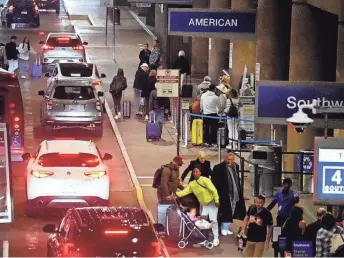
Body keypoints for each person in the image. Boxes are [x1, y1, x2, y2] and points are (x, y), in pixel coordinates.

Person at [176, 167, 220, 247]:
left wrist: (217, 200)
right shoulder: (192, 184)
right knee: (203, 220)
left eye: (197, 172)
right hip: (203, 204)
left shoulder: (205, 180)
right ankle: (204, 238)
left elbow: (214, 190)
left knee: (213, 220)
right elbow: (185, 192)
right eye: (194, 172)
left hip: (212, 202)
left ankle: (216, 238)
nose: (195, 173)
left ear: (200, 172)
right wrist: (176, 194)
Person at [212, 152, 246, 236]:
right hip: (224, 194)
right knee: (225, 211)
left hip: (234, 193)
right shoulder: (219, 167)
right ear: (225, 159)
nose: (230, 161)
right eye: (229, 159)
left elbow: (237, 180)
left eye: (232, 159)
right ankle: (223, 228)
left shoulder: (235, 166)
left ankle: (226, 227)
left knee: (232, 211)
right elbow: (215, 182)